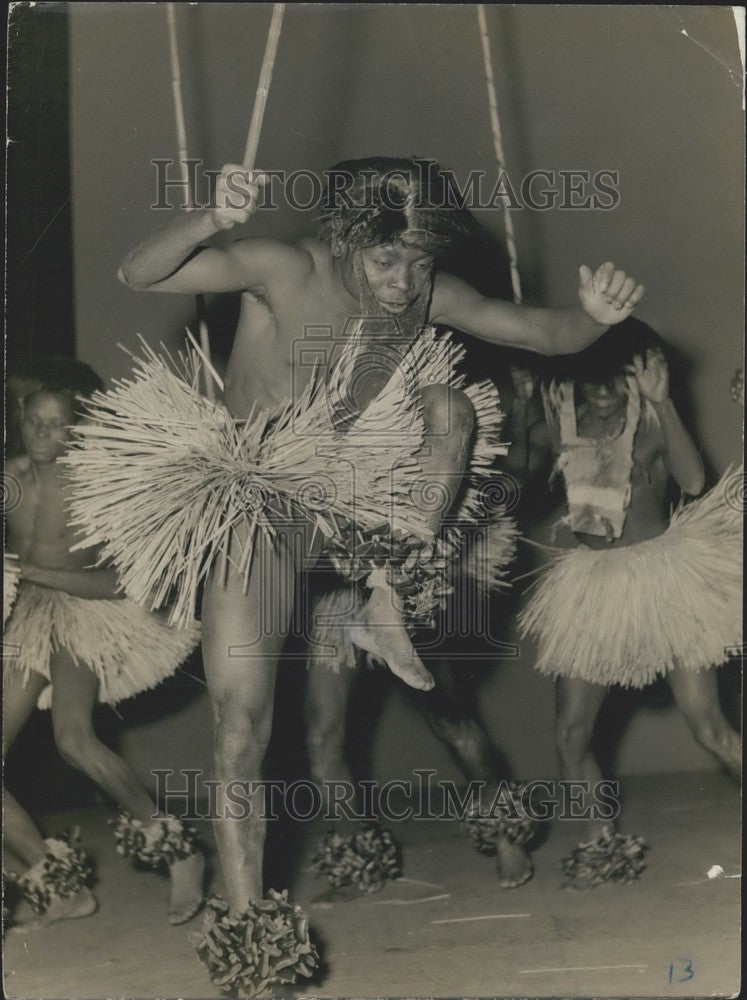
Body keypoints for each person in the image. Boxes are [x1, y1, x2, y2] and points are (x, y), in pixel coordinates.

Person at [67, 156, 643, 991]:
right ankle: (246, 930)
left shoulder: (427, 289)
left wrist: (593, 318)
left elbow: (542, 333)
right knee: (241, 728)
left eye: (417, 261)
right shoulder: (282, 268)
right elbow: (139, 271)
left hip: (354, 501)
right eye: (385, 261)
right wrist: (207, 219)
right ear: (342, 238)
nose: (406, 282)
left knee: (449, 408)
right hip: (256, 501)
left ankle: (387, 596)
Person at [518, 319, 742, 887]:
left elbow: (692, 482)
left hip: (665, 579)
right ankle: (600, 844)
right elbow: (520, 471)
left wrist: (665, 406)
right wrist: (522, 405)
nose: (602, 387)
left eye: (617, 375)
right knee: (570, 734)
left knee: (709, 726)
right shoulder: (559, 420)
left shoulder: (649, 424)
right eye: (589, 373)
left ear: (638, 376)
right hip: (591, 588)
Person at [3, 365, 205, 927]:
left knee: (73, 738)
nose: (44, 436)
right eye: (35, 423)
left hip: (86, 613)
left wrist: (34, 573)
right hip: (24, 618)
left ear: (76, 431)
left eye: (57, 426)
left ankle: (178, 850)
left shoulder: (94, 488)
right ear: (20, 422)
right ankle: (56, 883)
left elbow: (121, 583)